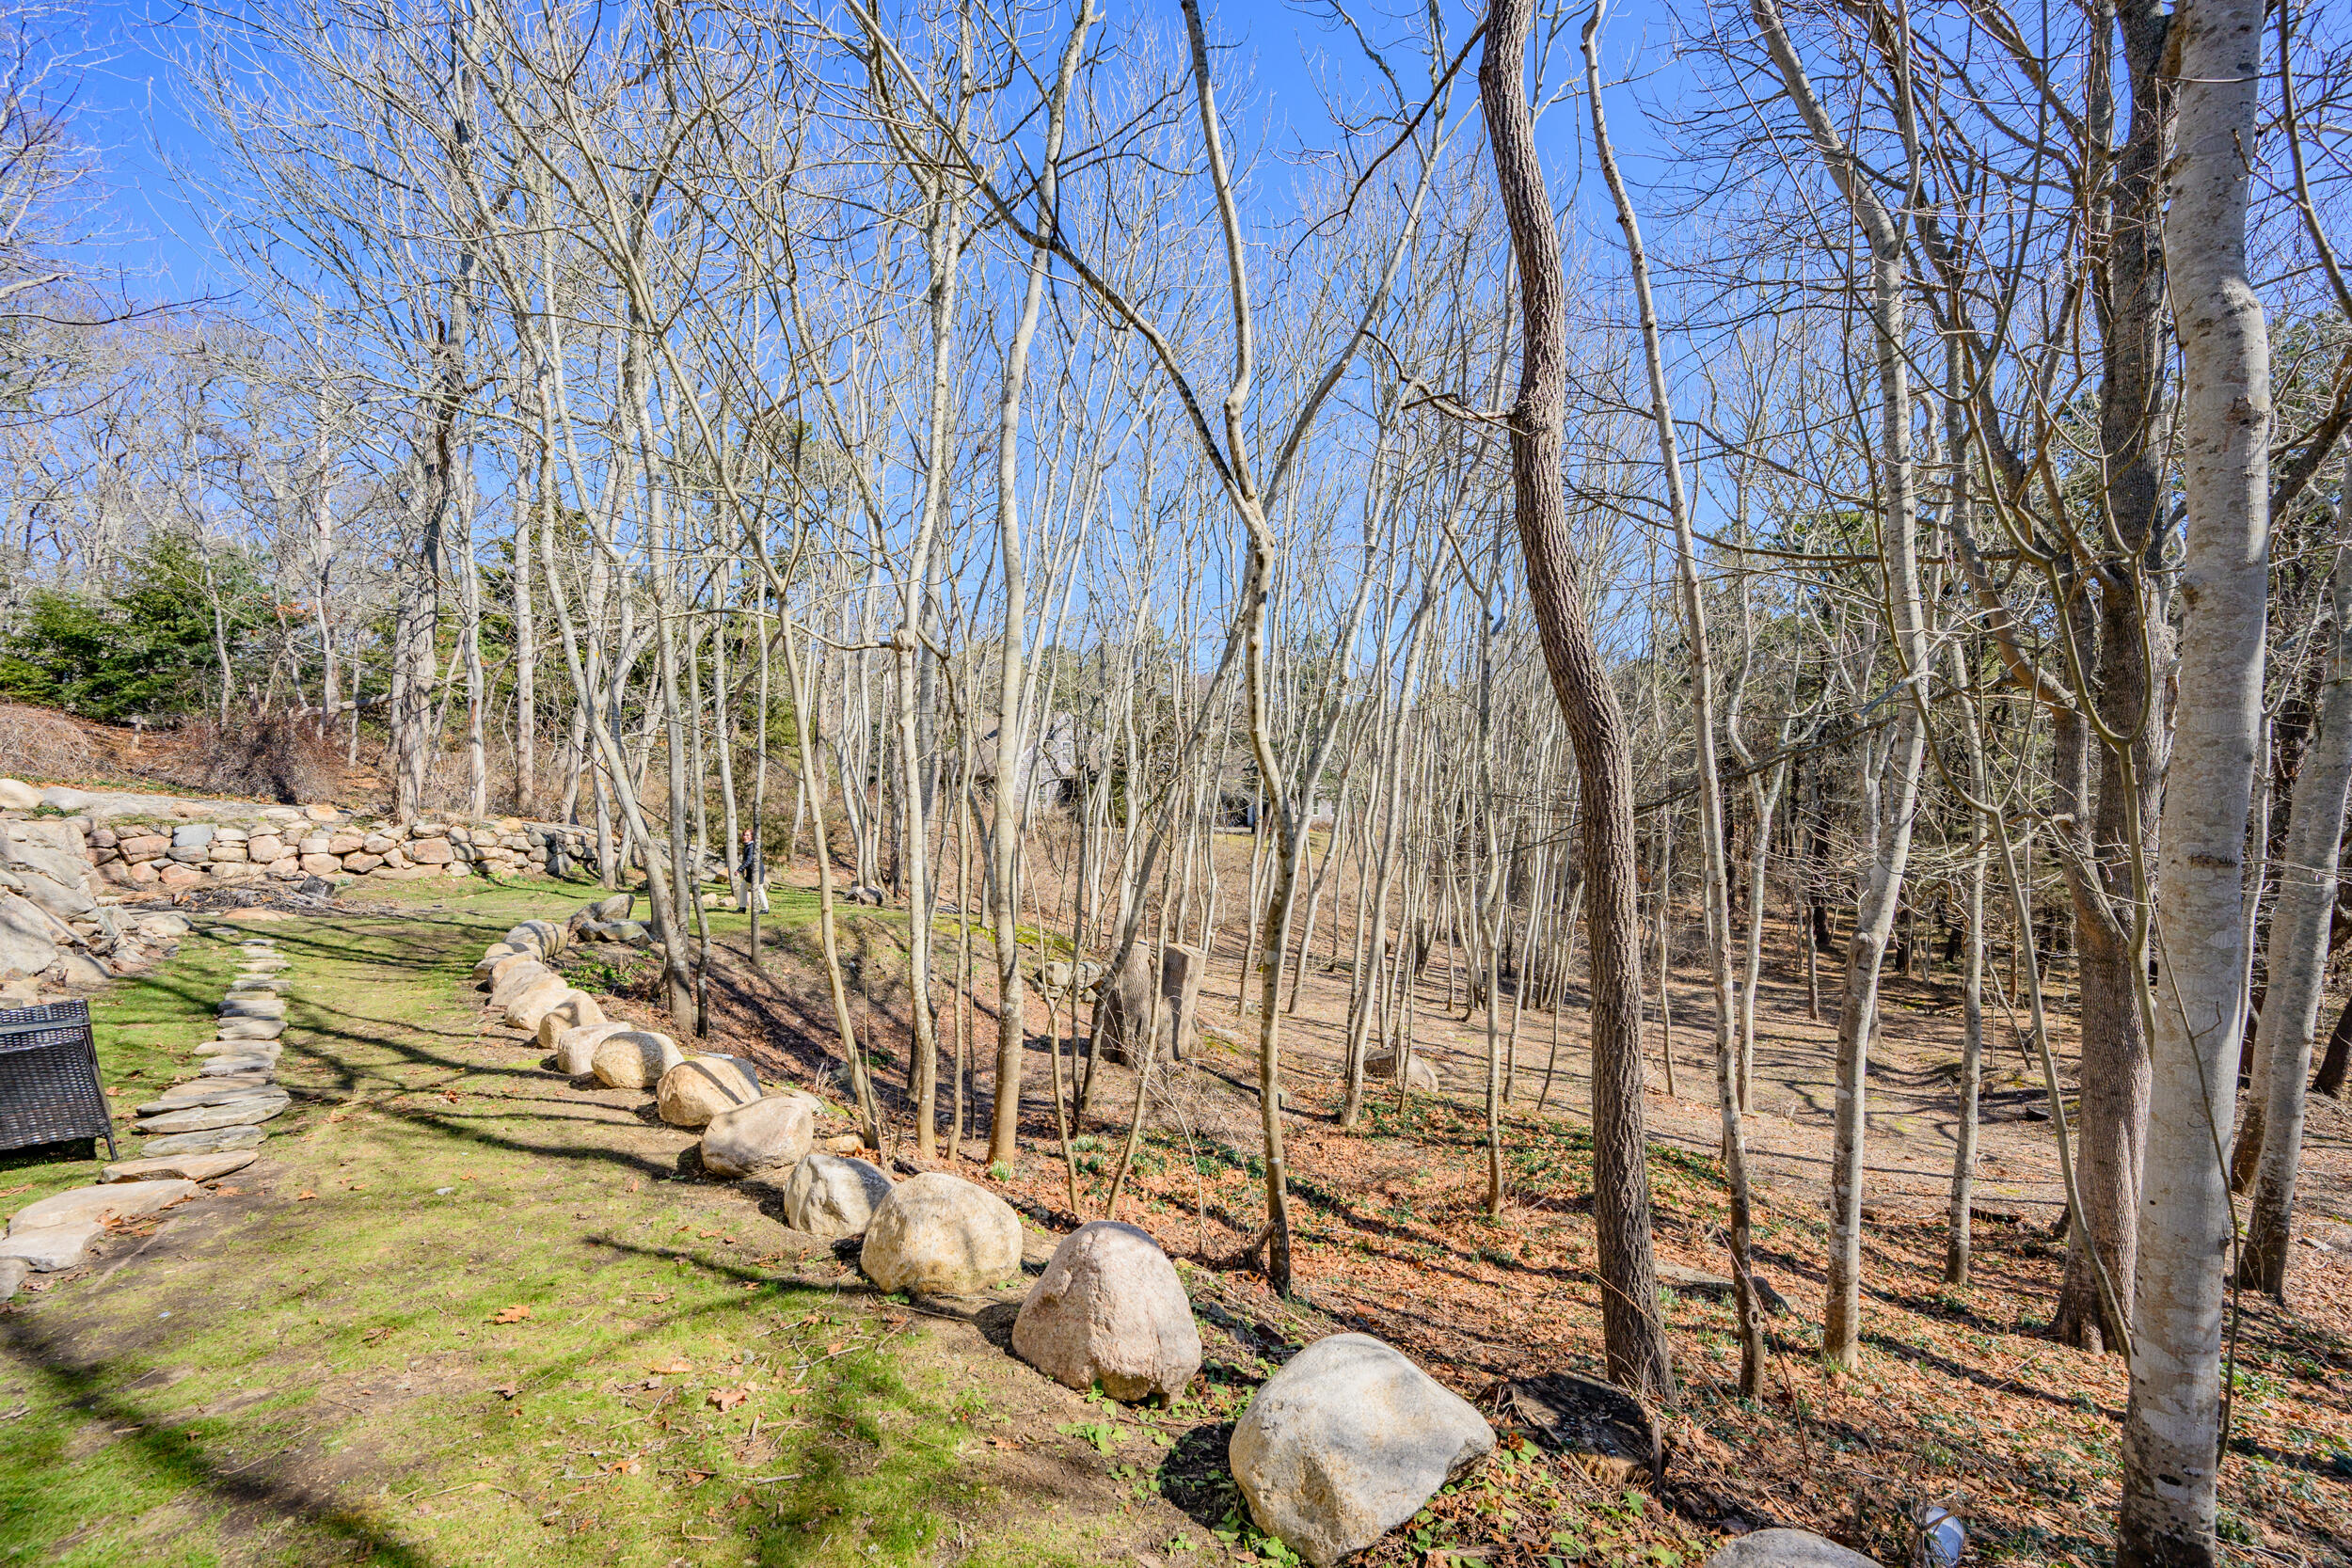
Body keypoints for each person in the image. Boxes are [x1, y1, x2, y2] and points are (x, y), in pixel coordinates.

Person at [738, 827, 770, 912]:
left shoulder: (752, 846)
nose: (745, 837)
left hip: (757, 870)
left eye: (747, 835)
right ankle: (742, 907)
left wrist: (739, 870)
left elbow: (749, 860)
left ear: (752, 837)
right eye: (744, 835)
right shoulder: (748, 845)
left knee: (759, 888)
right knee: (744, 886)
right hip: (751, 871)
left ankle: (765, 909)